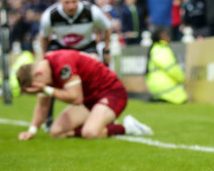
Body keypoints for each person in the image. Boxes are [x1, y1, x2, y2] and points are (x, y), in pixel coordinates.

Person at [16, 49, 153, 140]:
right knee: (56, 132)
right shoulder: (45, 75)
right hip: (89, 99)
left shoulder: (62, 65)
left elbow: (76, 98)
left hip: (110, 92)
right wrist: (32, 130)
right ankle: (100, 120)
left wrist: (47, 89)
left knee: (90, 133)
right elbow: (43, 105)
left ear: (38, 74)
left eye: (38, 88)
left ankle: (128, 127)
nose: (41, 90)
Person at [39, 0, 113, 129]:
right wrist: (45, 57)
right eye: (67, 3)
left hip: (86, 47)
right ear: (60, 1)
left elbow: (107, 28)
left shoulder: (92, 12)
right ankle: (47, 119)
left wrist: (107, 50)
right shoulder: (50, 15)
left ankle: (99, 115)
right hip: (61, 48)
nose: (71, 6)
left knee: (96, 75)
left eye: (74, 2)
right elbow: (44, 37)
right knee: (48, 78)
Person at [146, 28, 188, 104]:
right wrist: (182, 78)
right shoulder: (162, 49)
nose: (168, 38)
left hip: (155, 88)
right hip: (166, 88)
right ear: (160, 38)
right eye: (166, 36)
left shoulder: (154, 49)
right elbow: (172, 68)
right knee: (182, 98)